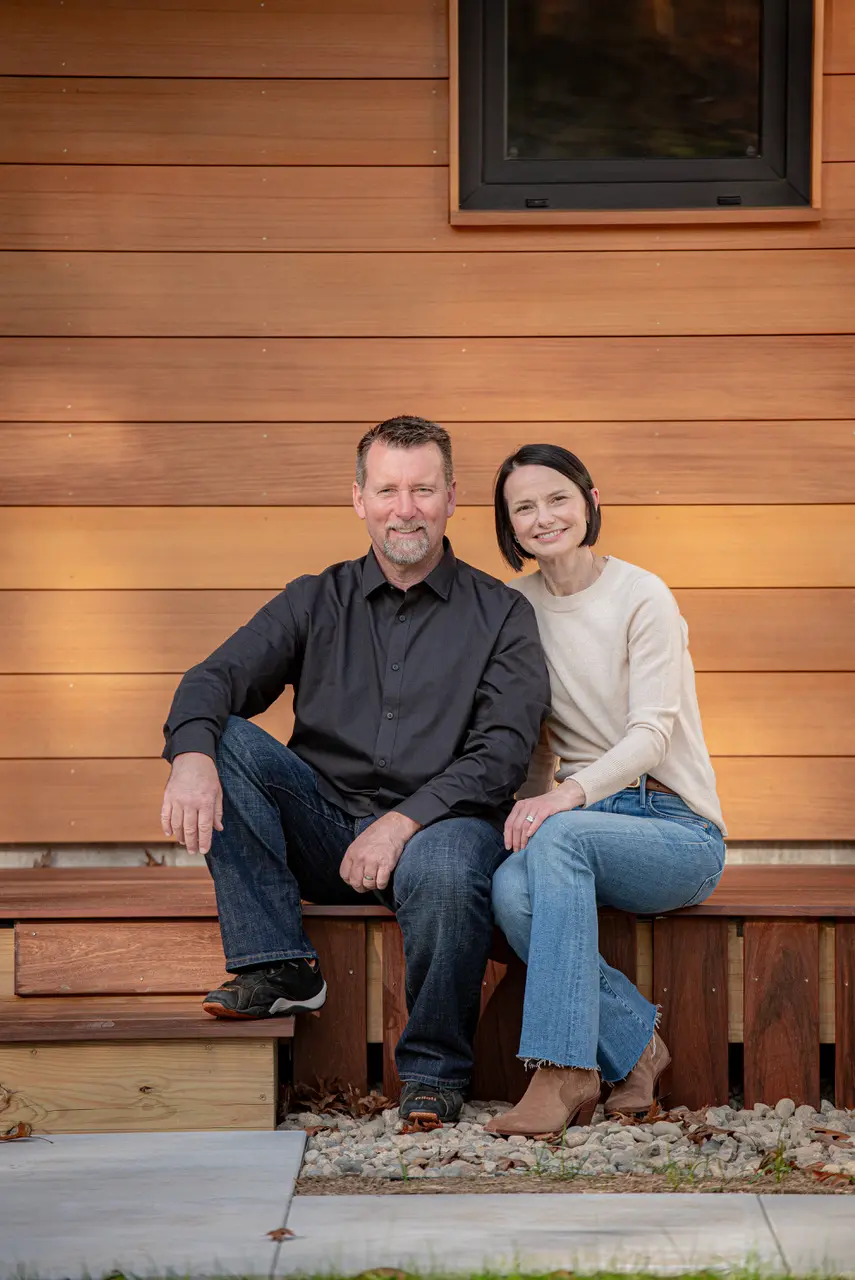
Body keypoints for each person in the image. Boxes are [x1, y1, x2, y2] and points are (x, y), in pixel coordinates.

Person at [160, 416, 550, 1123]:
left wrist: (400, 823)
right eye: (388, 490)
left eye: (422, 490)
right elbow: (213, 677)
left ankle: (435, 1073)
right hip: (324, 825)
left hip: (440, 827)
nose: (405, 509)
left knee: (442, 866)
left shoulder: (501, 615)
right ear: (359, 499)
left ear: (452, 497)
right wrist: (189, 758)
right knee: (221, 736)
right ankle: (280, 964)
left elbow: (499, 757)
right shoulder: (317, 598)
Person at [486, 443, 727, 1136]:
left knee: (556, 837)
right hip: (582, 825)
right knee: (508, 889)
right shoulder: (515, 606)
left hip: (673, 827)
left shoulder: (641, 594)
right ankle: (635, 1046)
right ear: (509, 527)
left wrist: (561, 801)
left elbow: (651, 734)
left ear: (590, 501)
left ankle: (563, 1070)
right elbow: (533, 739)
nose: (542, 517)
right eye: (522, 508)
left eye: (556, 498)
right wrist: (524, 811)